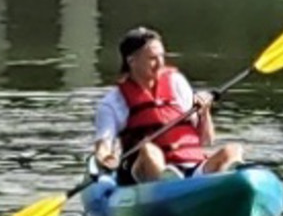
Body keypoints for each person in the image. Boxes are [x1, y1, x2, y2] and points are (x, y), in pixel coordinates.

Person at [89, 27, 247, 185]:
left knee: (233, 150)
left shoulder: (176, 82)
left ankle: (233, 183)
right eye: (152, 58)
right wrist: (106, 159)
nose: (160, 64)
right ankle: (168, 182)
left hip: (194, 169)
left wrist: (205, 113)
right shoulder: (113, 102)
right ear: (132, 61)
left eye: (161, 57)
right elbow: (103, 148)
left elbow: (206, 141)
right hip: (147, 175)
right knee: (148, 150)